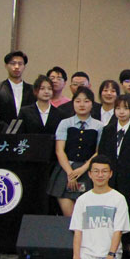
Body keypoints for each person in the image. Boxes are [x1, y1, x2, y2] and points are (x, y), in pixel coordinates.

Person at [66, 155, 130, 259]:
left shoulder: (118, 199)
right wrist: (76, 258)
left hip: (108, 253)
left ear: (110, 174)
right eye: (96, 171)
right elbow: (77, 232)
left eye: (104, 171)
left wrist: (110, 256)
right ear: (90, 174)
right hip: (86, 253)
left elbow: (118, 231)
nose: (100, 175)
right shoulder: (82, 200)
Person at [49, 87, 104, 217]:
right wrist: (70, 173)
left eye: (86, 101)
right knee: (69, 217)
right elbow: (59, 150)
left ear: (92, 104)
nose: (82, 104)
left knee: (84, 217)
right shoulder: (65, 123)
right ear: (73, 103)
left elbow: (98, 152)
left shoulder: (99, 126)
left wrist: (83, 169)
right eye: (78, 101)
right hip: (65, 171)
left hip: (88, 172)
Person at [96, 95, 130, 228]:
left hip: (129, 181)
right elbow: (102, 155)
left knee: (127, 214)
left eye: (125, 108)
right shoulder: (107, 130)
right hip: (109, 179)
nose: (121, 112)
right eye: (118, 108)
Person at [0, 50, 35, 133]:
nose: (17, 67)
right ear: (6, 66)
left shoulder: (32, 90)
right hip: (1, 135)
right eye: (13, 63)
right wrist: (9, 131)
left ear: (24, 67)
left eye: (20, 64)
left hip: (26, 135)